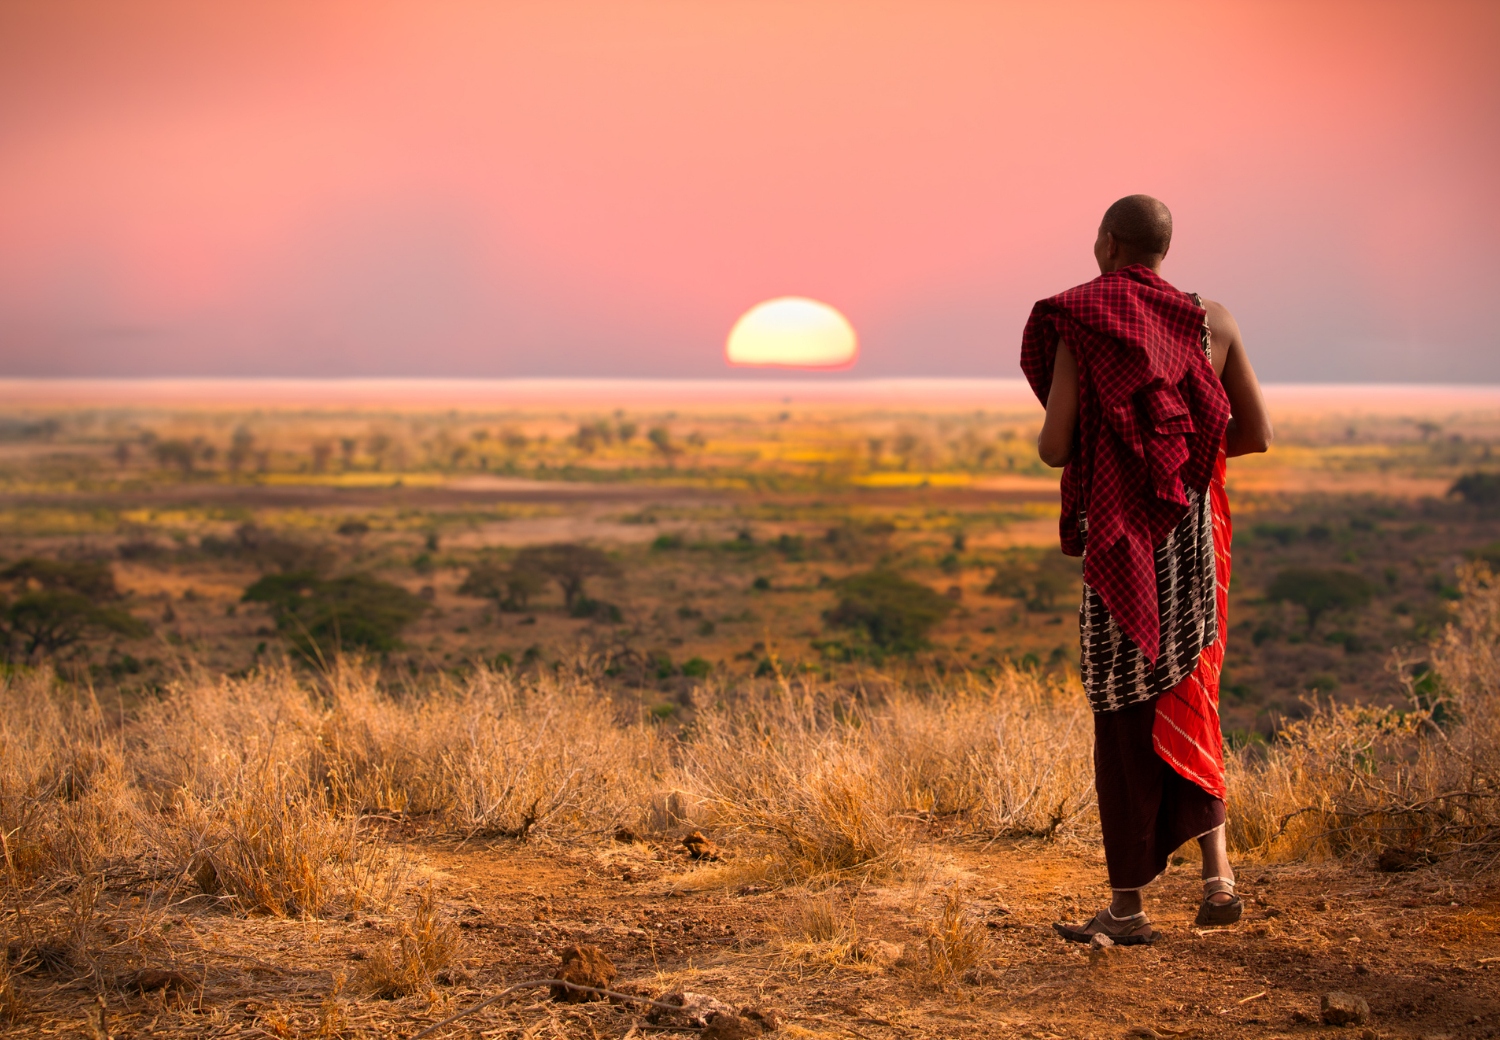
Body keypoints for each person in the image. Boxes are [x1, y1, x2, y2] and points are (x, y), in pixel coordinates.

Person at [1021, 195, 1273, 944]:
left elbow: (1054, 446)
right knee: (1189, 692)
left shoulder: (1081, 322)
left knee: (1124, 710)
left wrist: (1127, 461)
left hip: (1122, 544)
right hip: (1190, 536)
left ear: (1105, 244)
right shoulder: (1213, 321)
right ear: (1164, 249)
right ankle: (1218, 877)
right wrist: (1175, 459)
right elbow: (1254, 432)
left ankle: (1127, 908)